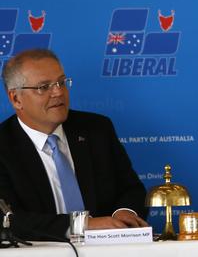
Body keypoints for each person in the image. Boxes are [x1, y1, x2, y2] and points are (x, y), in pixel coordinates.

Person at [0, 48, 148, 240]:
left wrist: (124, 212)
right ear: (16, 98)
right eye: (44, 87)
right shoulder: (4, 146)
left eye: (61, 82)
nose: (58, 92)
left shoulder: (97, 129)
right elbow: (10, 219)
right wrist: (82, 225)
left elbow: (131, 189)